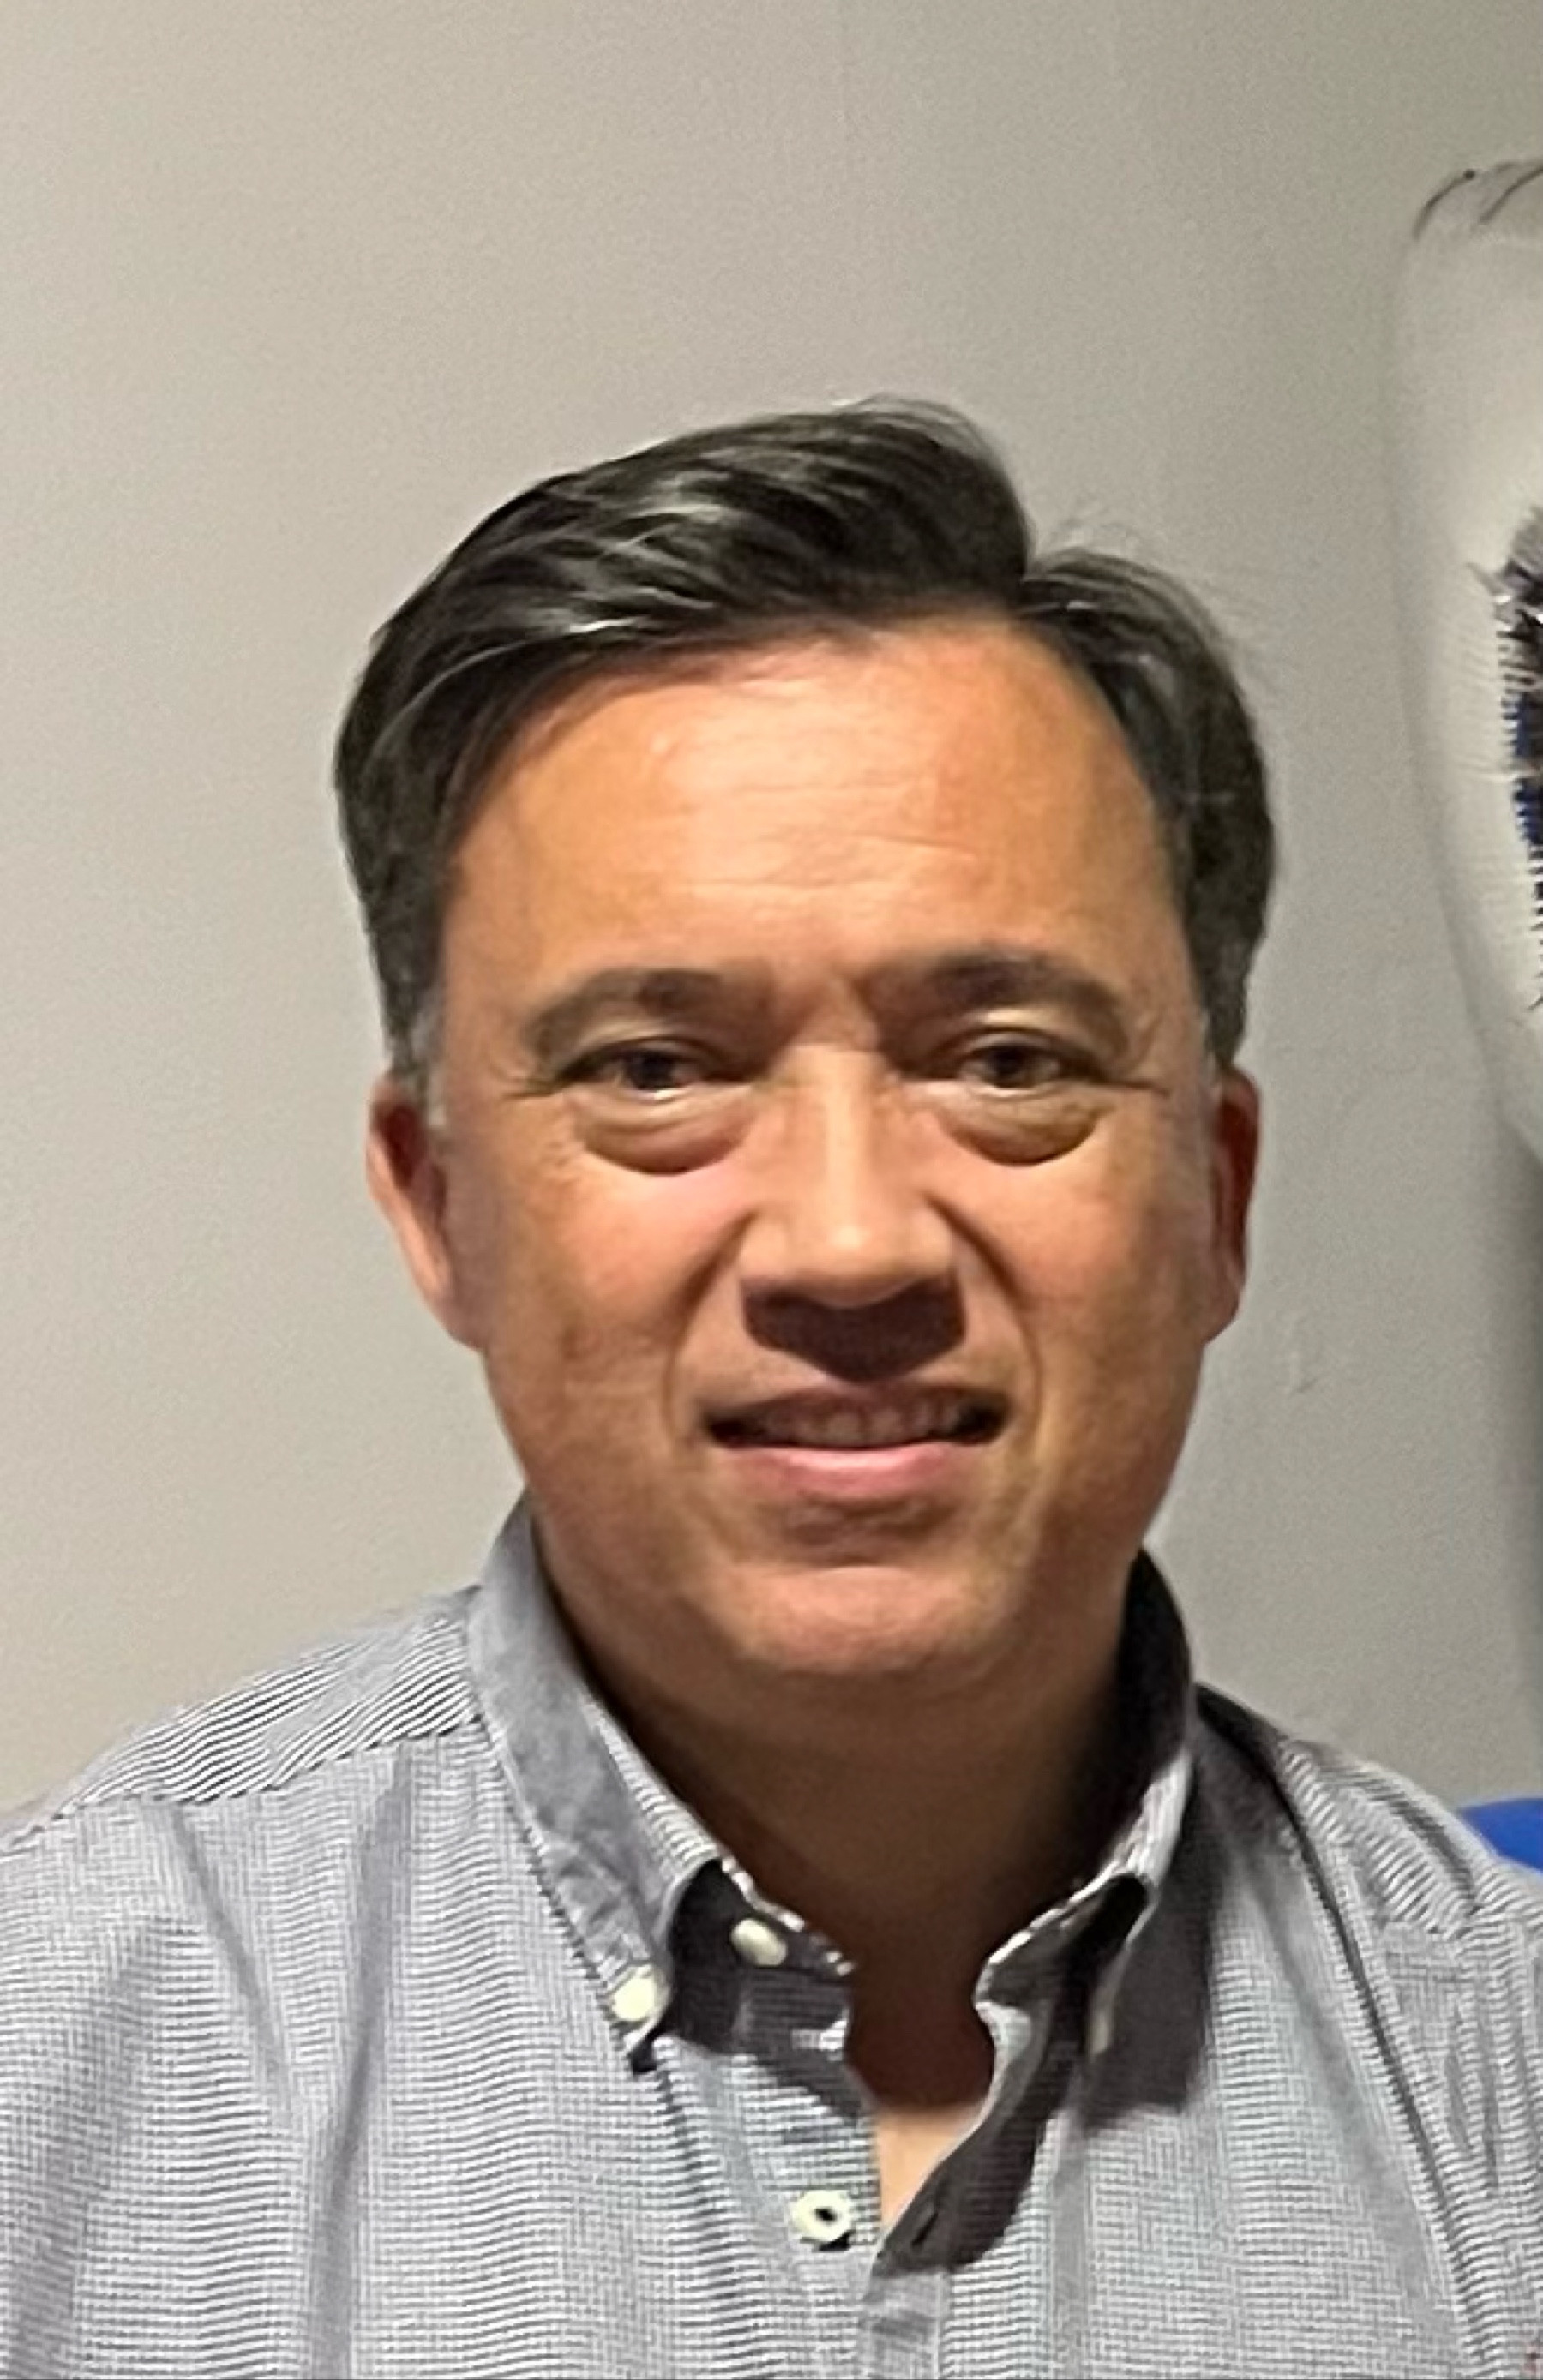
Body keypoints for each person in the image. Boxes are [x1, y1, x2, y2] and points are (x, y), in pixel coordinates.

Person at [2, 402, 1540, 2380]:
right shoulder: (64, 2066)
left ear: (1215, 1199)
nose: (849, 1243)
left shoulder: (1494, 2075)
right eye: (656, 1071)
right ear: (438, 1202)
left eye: (1008, 1062)